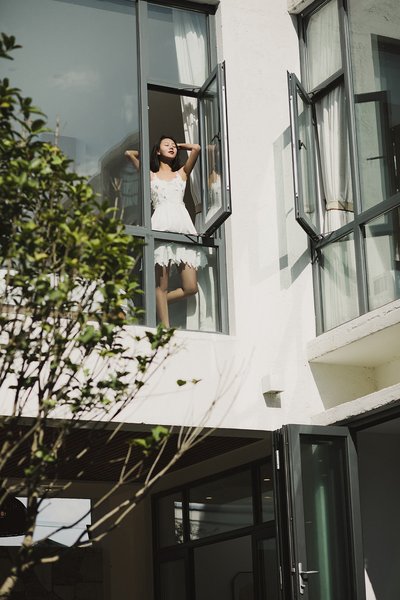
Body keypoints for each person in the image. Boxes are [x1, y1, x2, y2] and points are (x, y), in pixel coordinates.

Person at [125, 136, 203, 327]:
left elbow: (196, 148)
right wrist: (151, 151)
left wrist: (179, 146)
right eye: (166, 145)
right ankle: (166, 328)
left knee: (191, 287)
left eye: (173, 145)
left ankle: (153, 303)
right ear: (158, 151)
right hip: (160, 229)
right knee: (162, 285)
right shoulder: (150, 176)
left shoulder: (181, 174)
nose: (172, 147)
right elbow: (129, 154)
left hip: (184, 231)